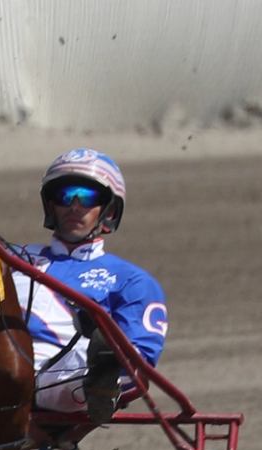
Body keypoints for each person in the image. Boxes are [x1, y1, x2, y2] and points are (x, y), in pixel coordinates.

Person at [15, 149, 167, 433]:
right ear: (51, 206)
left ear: (108, 210)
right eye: (64, 196)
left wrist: (109, 365)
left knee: (102, 361)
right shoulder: (14, 256)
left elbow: (141, 362)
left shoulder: (131, 280)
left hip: (62, 380)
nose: (74, 205)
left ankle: (100, 375)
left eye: (85, 197)